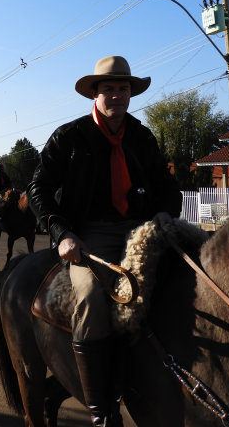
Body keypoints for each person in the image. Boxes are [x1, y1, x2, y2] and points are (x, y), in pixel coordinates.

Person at [28, 56, 182, 427]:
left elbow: (165, 184)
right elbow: (39, 188)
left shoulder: (142, 136)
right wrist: (62, 233)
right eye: (109, 89)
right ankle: (102, 412)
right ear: (94, 95)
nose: (116, 95)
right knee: (94, 300)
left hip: (142, 228)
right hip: (91, 233)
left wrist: (165, 210)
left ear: (131, 94)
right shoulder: (70, 136)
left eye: (123, 89)